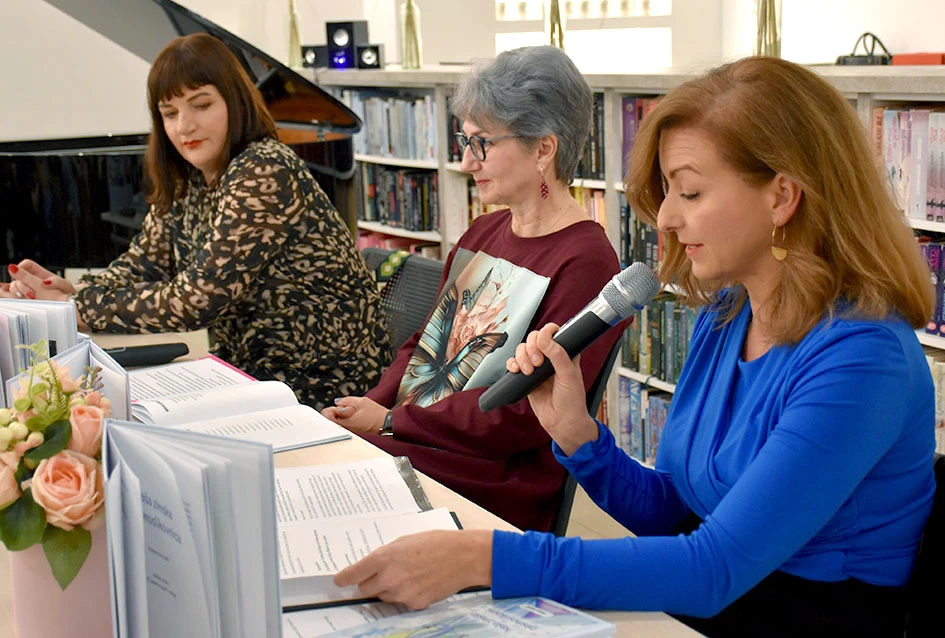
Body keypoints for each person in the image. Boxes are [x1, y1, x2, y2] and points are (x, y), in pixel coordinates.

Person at [331, 57, 938, 637]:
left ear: (781, 196)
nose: (666, 218)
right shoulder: (729, 315)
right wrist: (577, 437)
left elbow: (711, 569)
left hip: (799, 620)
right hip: (711, 603)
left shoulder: (862, 358)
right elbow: (673, 513)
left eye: (690, 192)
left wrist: (483, 558)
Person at [322, 46, 627, 532]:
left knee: (330, 479)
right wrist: (370, 404)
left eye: (482, 143)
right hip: (424, 437)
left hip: (494, 472)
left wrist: (387, 423)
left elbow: (523, 413)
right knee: (324, 448)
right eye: (465, 140)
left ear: (544, 148)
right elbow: (422, 347)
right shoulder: (481, 233)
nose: (467, 162)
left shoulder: (588, 263)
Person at [0, 33, 390, 410]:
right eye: (169, 113)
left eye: (201, 105)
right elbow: (142, 266)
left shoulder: (264, 168)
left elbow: (194, 301)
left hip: (324, 383)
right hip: (253, 372)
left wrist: (74, 304)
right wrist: (62, 290)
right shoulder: (188, 178)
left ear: (235, 103)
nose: (183, 126)